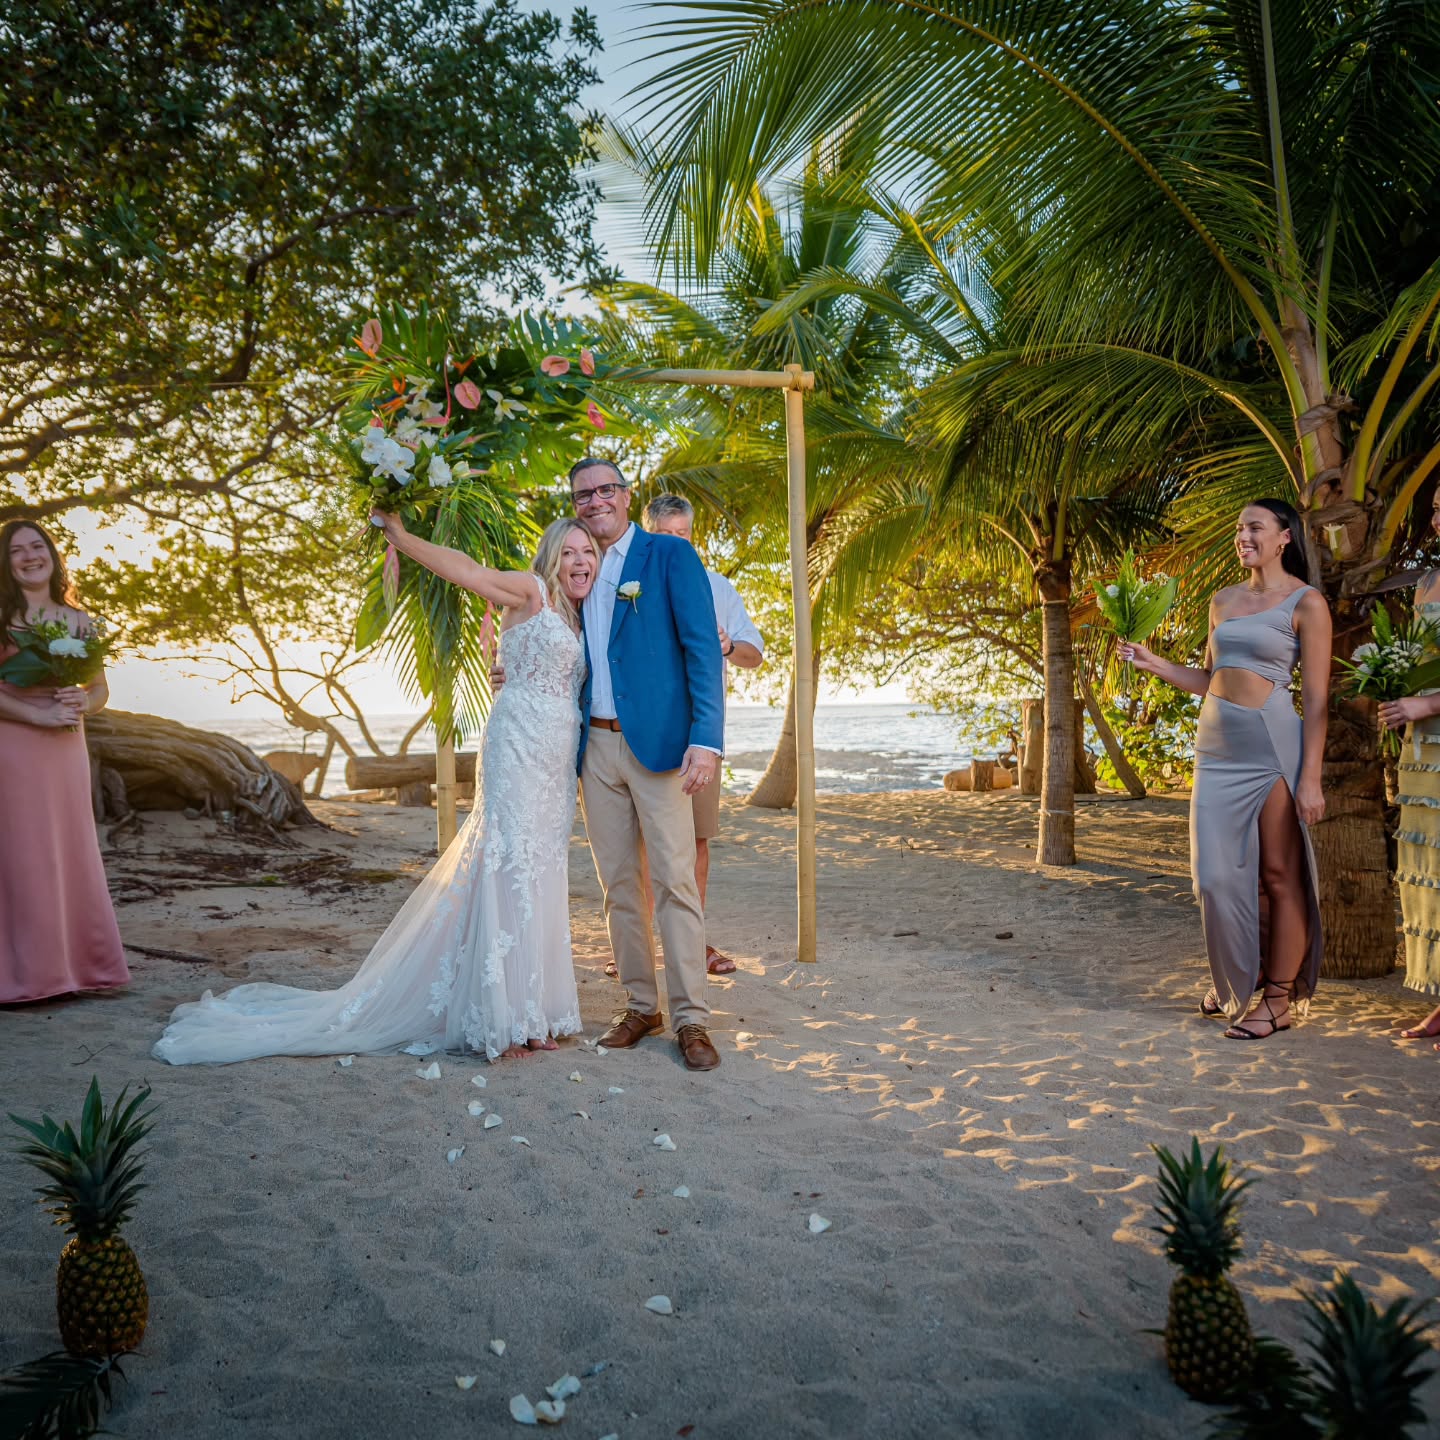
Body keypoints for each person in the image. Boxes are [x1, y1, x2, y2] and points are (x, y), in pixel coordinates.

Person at [152, 517, 597, 1064]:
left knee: (541, 868)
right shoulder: (530, 591)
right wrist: (402, 539)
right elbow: (468, 572)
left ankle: (535, 1007)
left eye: (589, 553)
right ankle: (509, 1013)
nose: (582, 561)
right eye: (571, 551)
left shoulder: (584, 616)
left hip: (557, 761)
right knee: (507, 864)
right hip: (518, 747)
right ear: (551, 556)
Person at [1121, 499, 1330, 1039]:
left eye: (1254, 527)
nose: (1243, 535)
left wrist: (1310, 778)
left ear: (1284, 537)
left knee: (1278, 876)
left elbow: (1317, 699)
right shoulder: (1222, 601)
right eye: (1239, 528)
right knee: (1214, 879)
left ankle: (1278, 999)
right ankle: (1245, 972)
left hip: (1271, 748)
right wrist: (1154, 663)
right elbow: (1211, 678)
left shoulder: (1306, 604)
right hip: (1215, 752)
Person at [568, 458, 727, 1071]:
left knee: (675, 884)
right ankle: (641, 1006)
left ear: (626, 496)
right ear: (576, 503)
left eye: (607, 489)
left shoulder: (668, 556)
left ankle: (691, 1019)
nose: (596, 500)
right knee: (617, 889)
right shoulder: (574, 566)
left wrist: (705, 740)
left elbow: (700, 653)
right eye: (584, 493)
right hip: (595, 750)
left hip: (661, 747)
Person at [0, 520, 129, 1004]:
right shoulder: (1, 618)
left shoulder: (79, 620)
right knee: (22, 854)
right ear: (6, 562)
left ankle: (80, 969)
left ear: (52, 555)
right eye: (17, 550)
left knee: (70, 850)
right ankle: (27, 976)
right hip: (13, 747)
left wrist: (81, 703)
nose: (30, 556)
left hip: (66, 749)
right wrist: (36, 712)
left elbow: (100, 690)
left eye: (38, 546)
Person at [642, 493, 764, 975]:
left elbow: (755, 653)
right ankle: (646, 946)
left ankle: (694, 943)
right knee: (645, 845)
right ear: (648, 534)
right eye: (665, 535)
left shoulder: (716, 587)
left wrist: (729, 644)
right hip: (643, 735)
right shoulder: (626, 585)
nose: (675, 544)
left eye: (683, 535)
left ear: (693, 537)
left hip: (699, 738)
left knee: (695, 841)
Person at [1378, 489, 1440, 1052]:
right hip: (1423, 748)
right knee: (1429, 869)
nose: (1438, 518)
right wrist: (1397, 694)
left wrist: (1429, 703)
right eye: (1438, 508)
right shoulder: (1426, 583)